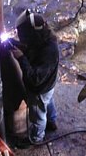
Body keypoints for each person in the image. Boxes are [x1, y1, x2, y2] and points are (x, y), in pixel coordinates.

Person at [9, 9, 59, 145]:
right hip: (48, 85)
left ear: (31, 34)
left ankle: (36, 138)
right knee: (48, 102)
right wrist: (15, 43)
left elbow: (35, 79)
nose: (21, 37)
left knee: (38, 116)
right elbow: (32, 49)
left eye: (23, 35)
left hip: (40, 89)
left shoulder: (49, 51)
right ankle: (52, 121)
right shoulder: (44, 38)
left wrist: (21, 58)